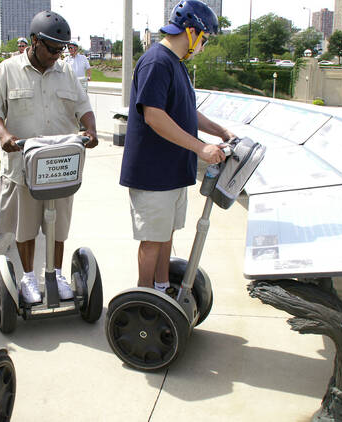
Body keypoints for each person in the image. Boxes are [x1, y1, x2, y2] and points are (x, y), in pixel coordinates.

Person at [119, 0, 235, 292]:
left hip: (170, 170)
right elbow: (154, 116)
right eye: (204, 39)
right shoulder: (157, 61)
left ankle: (161, 287)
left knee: (165, 235)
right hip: (153, 171)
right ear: (192, 31)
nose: (204, 46)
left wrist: (220, 131)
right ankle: (144, 298)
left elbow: (185, 111)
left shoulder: (176, 64)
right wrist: (200, 148)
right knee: (152, 240)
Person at [0, 10, 98, 304]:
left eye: (61, 49)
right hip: (23, 167)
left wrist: (91, 129)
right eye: (51, 48)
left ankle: (57, 273)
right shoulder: (7, 71)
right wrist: (4, 135)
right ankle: (27, 277)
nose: (56, 55)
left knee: (58, 225)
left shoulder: (66, 73)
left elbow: (83, 107)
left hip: (60, 166)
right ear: (34, 41)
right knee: (25, 227)